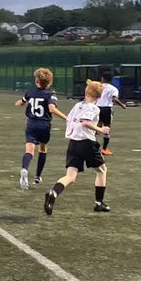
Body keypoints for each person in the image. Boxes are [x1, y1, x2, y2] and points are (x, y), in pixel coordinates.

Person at [44, 80, 112, 216]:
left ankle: (54, 192)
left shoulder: (77, 105)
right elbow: (85, 122)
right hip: (86, 143)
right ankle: (99, 203)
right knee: (102, 170)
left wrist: (93, 129)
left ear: (86, 92)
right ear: (99, 97)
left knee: (70, 176)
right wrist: (100, 129)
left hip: (73, 143)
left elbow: (72, 120)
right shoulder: (94, 108)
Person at [14, 67, 67, 190]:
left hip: (31, 124)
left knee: (29, 151)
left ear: (36, 81)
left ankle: (24, 169)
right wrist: (67, 118)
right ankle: (37, 176)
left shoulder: (30, 92)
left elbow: (21, 102)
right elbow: (52, 109)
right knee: (42, 149)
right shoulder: (50, 94)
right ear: (49, 82)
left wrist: (18, 103)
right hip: (44, 125)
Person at [96, 70, 128, 155]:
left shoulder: (98, 87)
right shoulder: (113, 89)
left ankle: (91, 147)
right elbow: (114, 99)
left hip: (96, 108)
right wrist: (122, 105)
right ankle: (104, 149)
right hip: (106, 109)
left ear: (102, 78)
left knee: (95, 128)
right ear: (111, 79)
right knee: (107, 129)